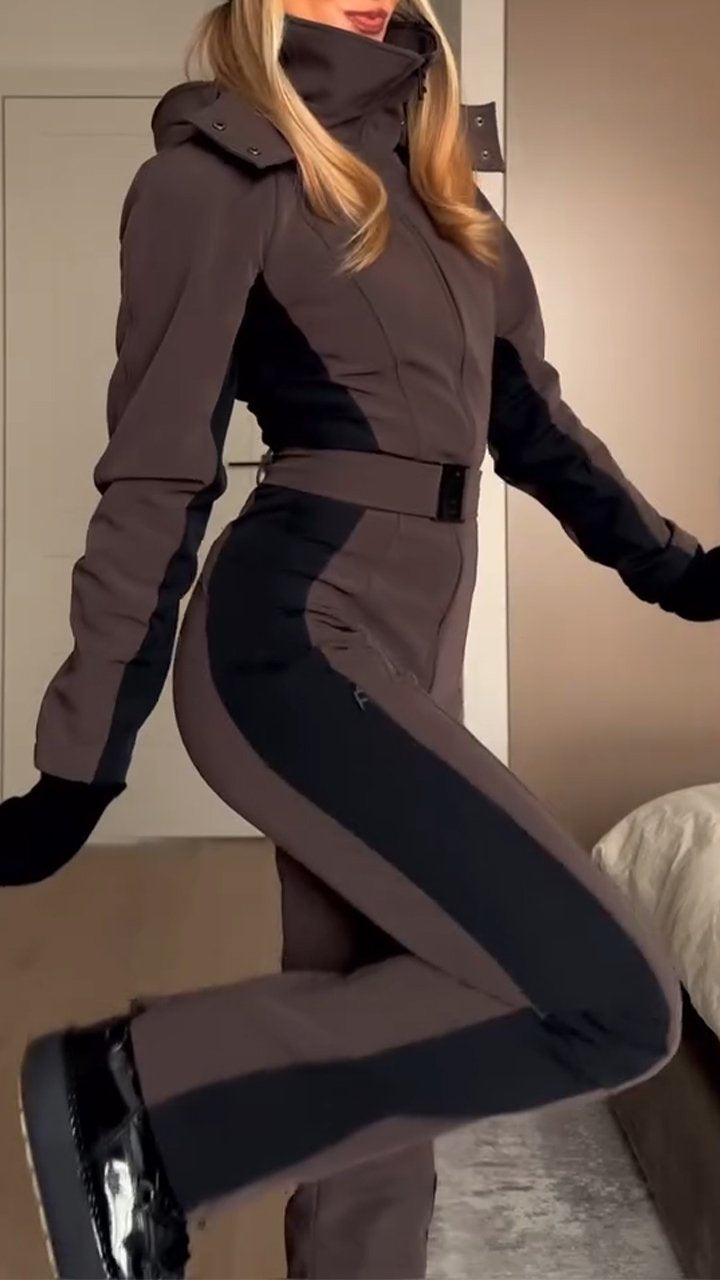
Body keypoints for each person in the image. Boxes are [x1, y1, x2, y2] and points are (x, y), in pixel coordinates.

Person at [3, 0, 719, 1276]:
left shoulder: (449, 201)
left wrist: (676, 568)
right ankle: (142, 1097)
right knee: (616, 994)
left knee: (396, 1030)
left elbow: (537, 429)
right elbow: (158, 475)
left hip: (414, 646)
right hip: (293, 637)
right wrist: (81, 759)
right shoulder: (216, 174)